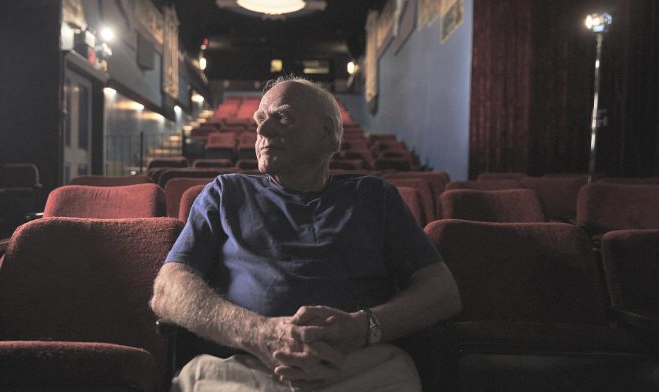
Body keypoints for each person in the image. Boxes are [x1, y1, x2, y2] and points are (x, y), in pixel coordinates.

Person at [150, 77, 462, 391]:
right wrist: (259, 334)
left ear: (329, 134)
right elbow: (168, 290)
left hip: (359, 366)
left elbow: (442, 291)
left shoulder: (374, 197)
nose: (263, 130)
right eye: (260, 120)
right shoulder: (224, 192)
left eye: (282, 117)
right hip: (242, 364)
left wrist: (364, 327)